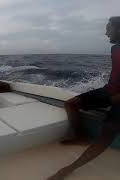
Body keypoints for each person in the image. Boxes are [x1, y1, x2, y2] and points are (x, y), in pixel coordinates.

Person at [48, 16, 120, 180]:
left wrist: (114, 100)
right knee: (71, 104)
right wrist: (109, 95)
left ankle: (68, 169)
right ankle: (81, 136)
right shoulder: (115, 48)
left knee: (107, 133)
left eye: (109, 28)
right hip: (108, 91)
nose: (106, 32)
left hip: (117, 99)